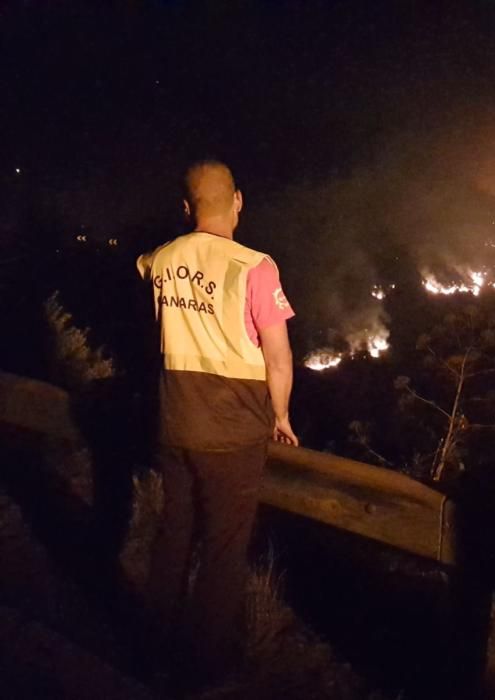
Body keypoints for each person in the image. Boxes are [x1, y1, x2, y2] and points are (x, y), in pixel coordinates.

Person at [136, 159, 299, 683]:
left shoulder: (164, 259)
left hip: (174, 423)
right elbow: (278, 358)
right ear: (238, 201)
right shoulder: (256, 267)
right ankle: (199, 670)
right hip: (232, 435)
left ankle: (151, 648)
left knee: (174, 535)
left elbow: (142, 263)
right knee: (224, 551)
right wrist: (281, 415)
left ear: (185, 209)